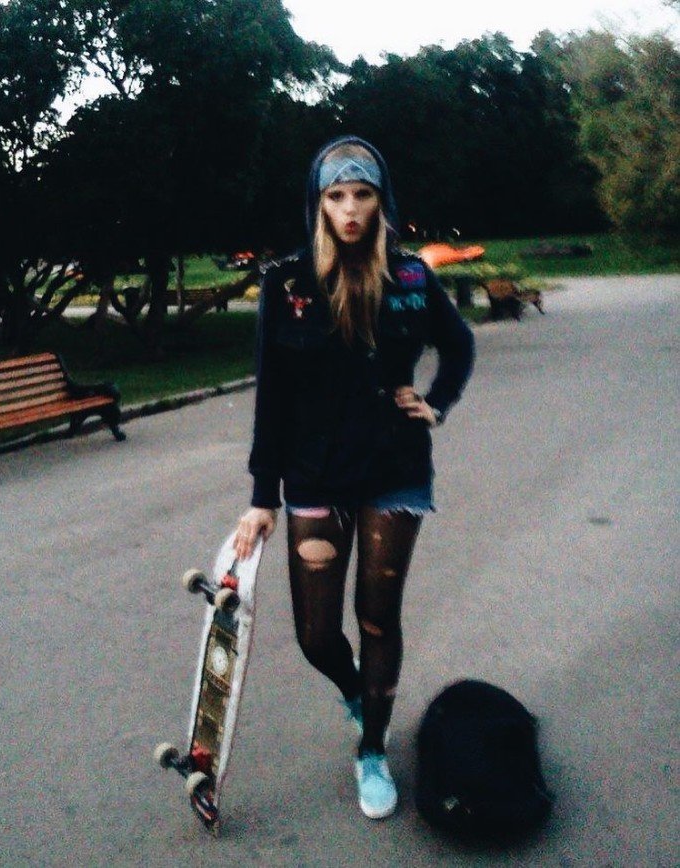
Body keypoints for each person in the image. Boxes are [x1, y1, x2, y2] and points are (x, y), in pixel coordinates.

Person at [233, 135, 474, 819]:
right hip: (314, 475)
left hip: (394, 469)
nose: (349, 209)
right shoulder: (286, 283)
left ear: (379, 201)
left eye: (362, 195)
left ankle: (372, 748)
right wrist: (262, 498)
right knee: (316, 635)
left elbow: (458, 344)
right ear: (319, 202)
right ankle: (357, 694)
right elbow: (272, 395)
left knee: (377, 617)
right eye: (336, 196)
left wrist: (437, 403)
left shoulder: (410, 278)